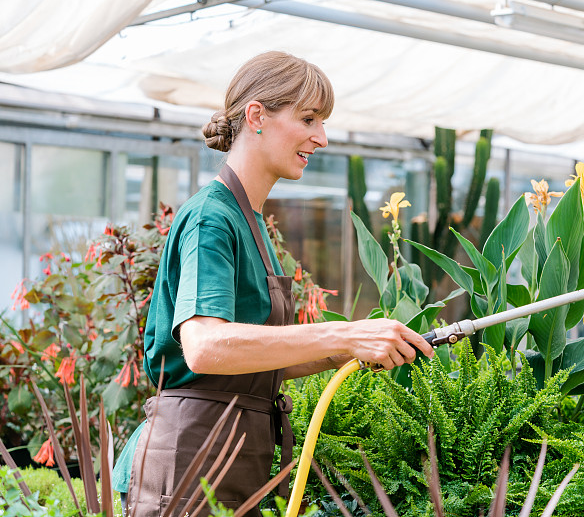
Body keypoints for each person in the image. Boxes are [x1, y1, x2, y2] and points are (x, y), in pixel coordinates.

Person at [111, 51, 433, 517]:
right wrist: (345, 332)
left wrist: (352, 350)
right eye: (308, 118)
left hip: (232, 454)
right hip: (190, 462)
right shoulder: (212, 219)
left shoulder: (251, 219)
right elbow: (204, 347)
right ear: (256, 116)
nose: (321, 137)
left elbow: (252, 362)